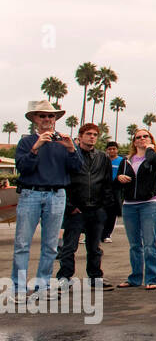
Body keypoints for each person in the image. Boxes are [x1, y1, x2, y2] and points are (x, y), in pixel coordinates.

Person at [12, 99, 82, 292]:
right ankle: (18, 287)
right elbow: (23, 168)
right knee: (22, 244)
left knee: (51, 245)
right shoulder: (26, 142)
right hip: (30, 193)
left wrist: (70, 148)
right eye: (42, 115)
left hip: (57, 195)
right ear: (35, 118)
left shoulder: (64, 142)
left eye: (51, 115)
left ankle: (42, 285)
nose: (47, 119)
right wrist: (36, 147)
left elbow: (77, 168)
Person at [56, 123, 114, 289]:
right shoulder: (71, 155)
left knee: (94, 247)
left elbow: (107, 183)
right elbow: (64, 182)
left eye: (95, 134)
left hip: (96, 209)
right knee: (69, 246)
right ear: (80, 137)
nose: (92, 137)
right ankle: (64, 277)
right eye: (88, 134)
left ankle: (95, 277)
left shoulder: (102, 158)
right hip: (76, 209)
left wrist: (104, 206)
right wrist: (69, 206)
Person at [116, 129, 156, 289]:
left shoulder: (155, 157)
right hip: (129, 205)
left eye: (145, 136)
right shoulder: (126, 160)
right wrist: (119, 179)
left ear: (151, 139)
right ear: (134, 142)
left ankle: (151, 278)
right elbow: (117, 183)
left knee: (149, 243)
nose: (142, 139)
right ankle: (135, 278)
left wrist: (149, 149)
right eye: (138, 137)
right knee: (135, 244)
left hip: (149, 203)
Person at [101, 141, 122, 243]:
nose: (112, 151)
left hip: (115, 190)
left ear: (117, 150)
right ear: (106, 150)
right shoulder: (102, 160)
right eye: (109, 149)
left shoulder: (122, 161)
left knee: (112, 214)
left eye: (114, 149)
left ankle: (107, 234)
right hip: (102, 189)